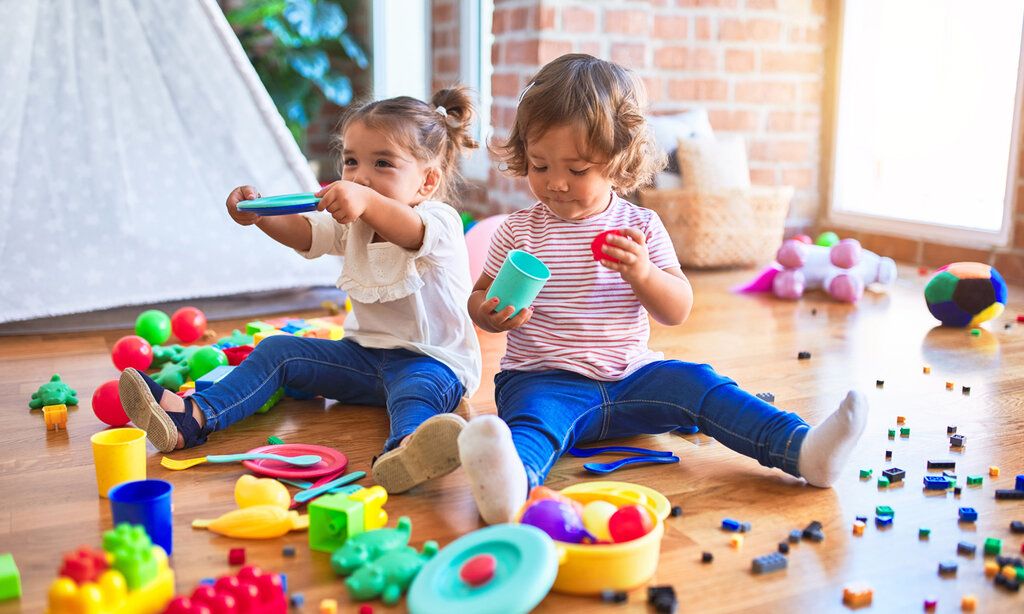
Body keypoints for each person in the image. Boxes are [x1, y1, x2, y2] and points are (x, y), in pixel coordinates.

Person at [459, 54, 868, 524]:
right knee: (532, 423)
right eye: (539, 164)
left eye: (577, 170)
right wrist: (489, 313)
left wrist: (643, 275)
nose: (555, 183)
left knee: (701, 383)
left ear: (618, 161)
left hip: (633, 378)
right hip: (544, 379)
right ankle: (511, 485)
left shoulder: (641, 226)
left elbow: (677, 309)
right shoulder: (518, 230)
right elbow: (479, 295)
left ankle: (803, 450)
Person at [120, 87, 483, 494]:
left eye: (382, 163)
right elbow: (306, 233)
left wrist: (364, 198)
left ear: (427, 181)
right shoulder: (354, 221)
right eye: (351, 161)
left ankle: (408, 450)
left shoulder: (439, 221)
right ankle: (193, 417)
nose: (361, 176)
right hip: (362, 358)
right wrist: (259, 215)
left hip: (432, 363)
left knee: (414, 394)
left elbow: (407, 229)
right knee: (279, 351)